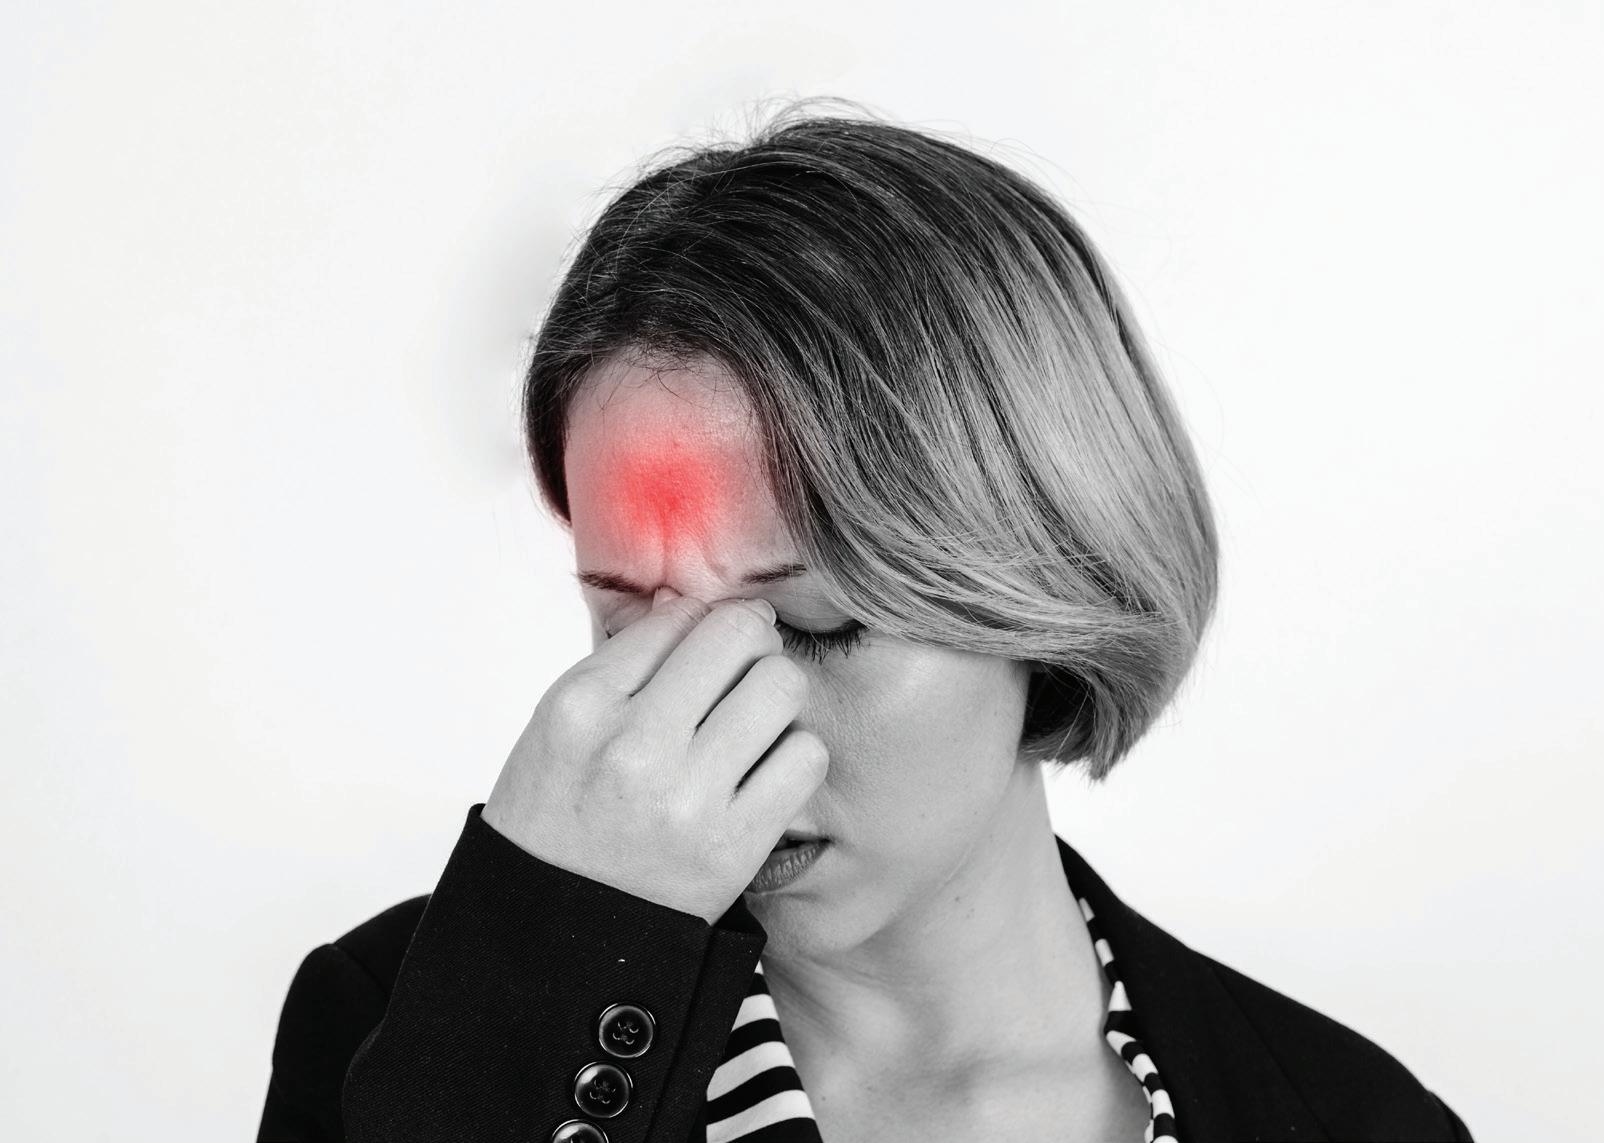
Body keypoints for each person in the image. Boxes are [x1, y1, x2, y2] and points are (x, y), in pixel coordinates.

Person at [256, 100, 1472, 1143]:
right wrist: (550, 966)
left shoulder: (1346, 1121)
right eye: (631, 621)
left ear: (1050, 586)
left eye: (816, 625)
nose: (716, 722)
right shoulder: (404, 1033)